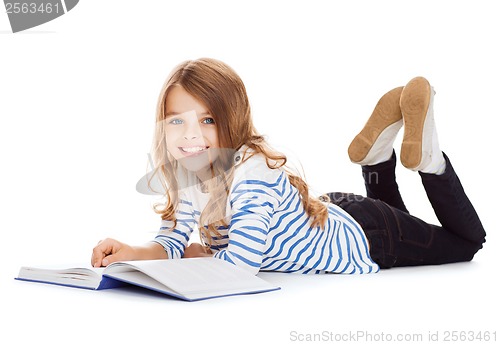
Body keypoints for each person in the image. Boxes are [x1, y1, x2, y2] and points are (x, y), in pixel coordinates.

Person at [91, 58, 486, 274]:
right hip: (331, 212)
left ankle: (430, 160)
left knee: (468, 244)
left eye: (207, 120)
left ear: (234, 120)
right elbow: (173, 243)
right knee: (402, 220)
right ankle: (376, 160)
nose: (189, 134)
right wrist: (134, 252)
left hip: (367, 237)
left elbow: (240, 269)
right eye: (177, 120)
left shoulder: (252, 175)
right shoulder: (191, 171)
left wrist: (202, 257)